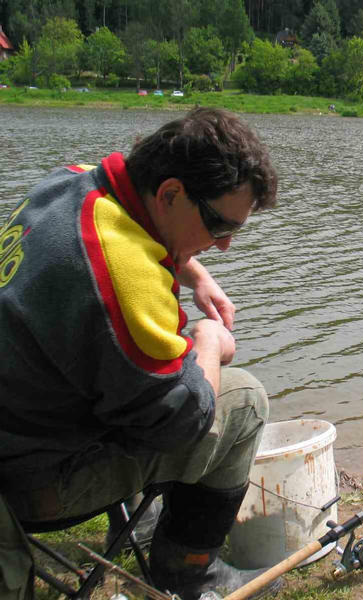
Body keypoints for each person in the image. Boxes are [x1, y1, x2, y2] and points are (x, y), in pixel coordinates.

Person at [0, 107, 282, 600]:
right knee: (244, 401)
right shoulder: (125, 281)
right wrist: (208, 343)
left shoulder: (66, 184)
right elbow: (186, 419)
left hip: (18, 426)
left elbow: (122, 208)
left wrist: (191, 270)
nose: (225, 246)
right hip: (28, 483)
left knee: (120, 373)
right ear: (171, 193)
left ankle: (140, 519)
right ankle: (189, 569)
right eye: (218, 226)